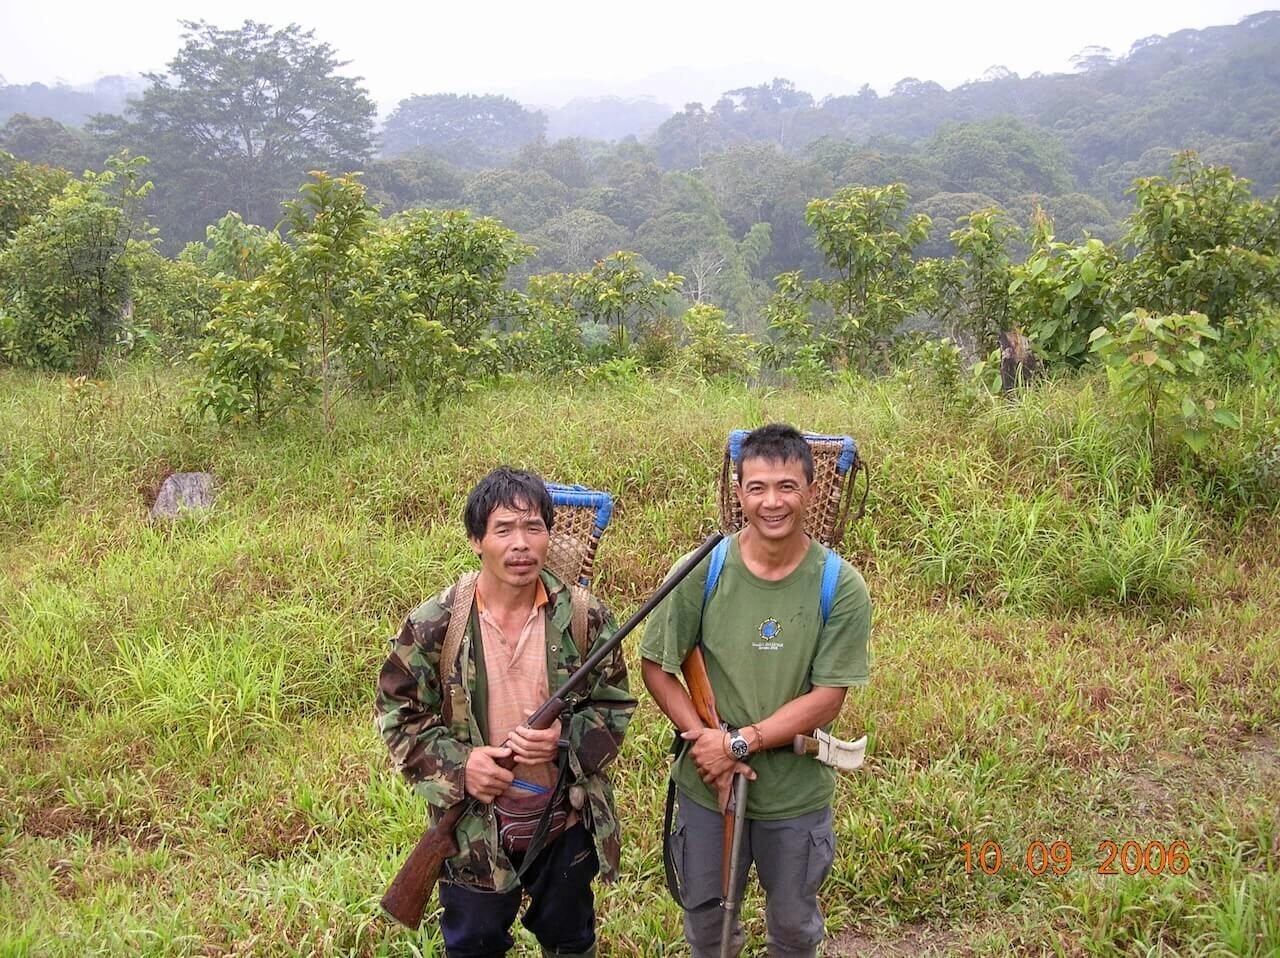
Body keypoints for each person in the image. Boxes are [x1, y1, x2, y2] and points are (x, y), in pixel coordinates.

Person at [377, 466, 635, 958]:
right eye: (503, 529)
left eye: (533, 527)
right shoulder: (436, 625)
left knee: (571, 940)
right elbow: (397, 711)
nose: (521, 544)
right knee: (474, 944)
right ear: (477, 540)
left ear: (549, 535)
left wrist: (564, 740)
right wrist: (462, 766)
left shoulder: (584, 617)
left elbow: (614, 706)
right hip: (473, 829)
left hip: (563, 821)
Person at [640, 423, 871, 958]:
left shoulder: (840, 584)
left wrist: (739, 742)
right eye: (758, 487)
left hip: (795, 796)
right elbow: (657, 666)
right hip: (706, 791)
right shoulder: (703, 569)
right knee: (707, 929)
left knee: (792, 930)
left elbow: (828, 695)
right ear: (738, 491)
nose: (772, 502)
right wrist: (707, 745)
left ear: (811, 492)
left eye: (787, 487)